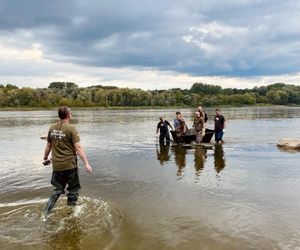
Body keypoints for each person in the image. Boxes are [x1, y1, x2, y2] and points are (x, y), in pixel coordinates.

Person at [43, 106, 93, 217]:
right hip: (70, 166)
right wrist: (86, 163)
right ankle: (72, 214)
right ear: (69, 115)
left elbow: (48, 145)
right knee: (73, 190)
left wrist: (45, 158)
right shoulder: (71, 129)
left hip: (57, 167)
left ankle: (45, 213)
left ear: (59, 115)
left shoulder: (52, 128)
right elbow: (79, 148)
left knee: (57, 190)